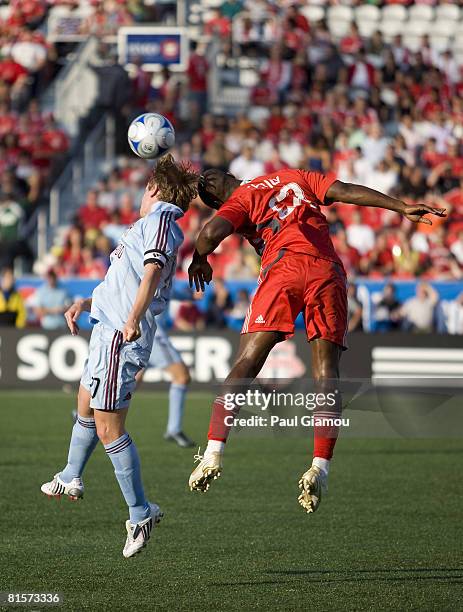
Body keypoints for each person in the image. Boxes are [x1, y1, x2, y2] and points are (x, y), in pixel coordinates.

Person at [188, 167, 446, 514]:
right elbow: (346, 190)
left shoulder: (241, 200)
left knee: (248, 361)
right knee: (327, 371)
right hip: (327, 269)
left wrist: (200, 258)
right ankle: (320, 466)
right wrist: (399, 206)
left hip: (284, 268)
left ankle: (214, 452)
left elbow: (208, 234)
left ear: (217, 199)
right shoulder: (290, 174)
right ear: (232, 174)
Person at [40, 155, 198, 558]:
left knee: (110, 428)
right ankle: (71, 475)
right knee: (84, 403)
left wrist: (132, 320)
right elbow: (120, 280)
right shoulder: (146, 226)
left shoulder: (160, 222)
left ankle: (140, 514)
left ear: (155, 189)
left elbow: (149, 275)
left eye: (145, 186)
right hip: (106, 329)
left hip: (120, 335)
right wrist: (83, 300)